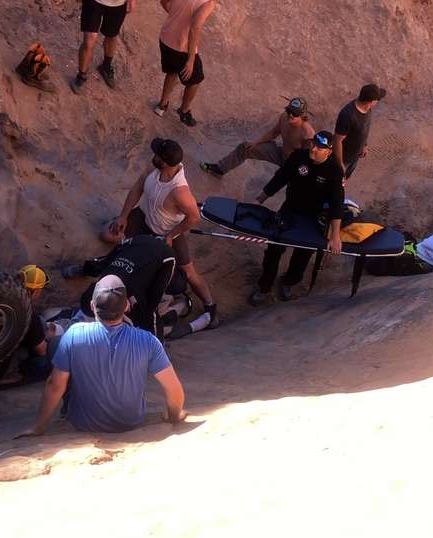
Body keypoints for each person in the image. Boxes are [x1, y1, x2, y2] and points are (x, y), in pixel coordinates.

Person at [17, 275, 186, 436]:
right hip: (131, 422)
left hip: (84, 424)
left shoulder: (74, 334)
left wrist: (38, 427)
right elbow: (173, 388)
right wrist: (174, 416)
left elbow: (55, 384)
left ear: (91, 306)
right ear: (126, 306)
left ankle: (66, 411)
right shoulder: (148, 340)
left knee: (55, 344)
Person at [102, 137, 218, 327]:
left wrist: (171, 235)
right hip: (144, 218)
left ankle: (210, 305)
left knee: (189, 272)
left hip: (167, 232)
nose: (153, 156)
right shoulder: (153, 169)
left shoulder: (180, 192)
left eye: (156, 154)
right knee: (107, 234)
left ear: (164, 162)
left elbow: (194, 217)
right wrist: (123, 215)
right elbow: (138, 187)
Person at [250, 131, 344, 305]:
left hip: (312, 218)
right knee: (274, 249)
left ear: (329, 152)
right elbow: (281, 177)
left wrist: (335, 235)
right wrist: (260, 199)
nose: (313, 149)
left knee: (303, 254)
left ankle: (288, 282)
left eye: (319, 147)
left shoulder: (334, 171)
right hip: (290, 210)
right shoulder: (298, 156)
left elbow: (336, 204)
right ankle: (264, 287)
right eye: (313, 144)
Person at [154, 0, 225, 126]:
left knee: (171, 72)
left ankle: (162, 105)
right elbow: (195, 28)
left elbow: (164, 1)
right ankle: (184, 111)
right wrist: (191, 59)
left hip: (165, 39)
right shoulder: (208, 1)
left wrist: (175, 17)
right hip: (181, 47)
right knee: (196, 80)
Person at [201, 96, 315, 177]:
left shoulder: (307, 134)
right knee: (245, 148)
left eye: (295, 113)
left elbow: (308, 158)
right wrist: (256, 142)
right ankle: (220, 169)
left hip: (294, 164)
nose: (290, 114)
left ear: (303, 115)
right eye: (289, 110)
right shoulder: (284, 117)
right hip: (280, 153)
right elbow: (274, 132)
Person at [0, 264, 54, 387]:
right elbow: (41, 351)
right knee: (46, 361)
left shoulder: (0, 294)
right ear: (36, 291)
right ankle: (6, 375)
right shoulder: (29, 315)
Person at [333, 83, 386, 182]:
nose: (378, 101)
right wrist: (340, 163)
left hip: (355, 156)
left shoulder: (368, 109)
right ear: (371, 101)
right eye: (377, 100)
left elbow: (364, 128)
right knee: (336, 181)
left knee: (346, 179)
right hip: (344, 158)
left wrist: (364, 145)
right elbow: (337, 141)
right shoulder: (348, 115)